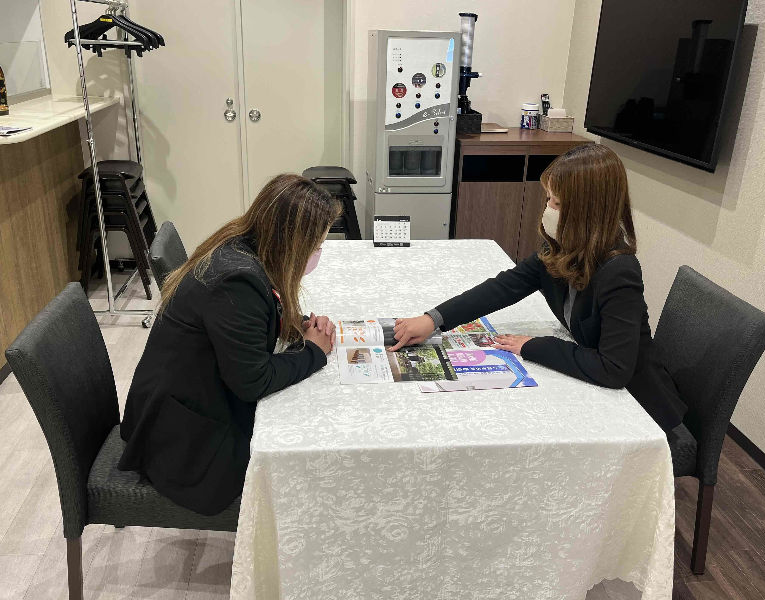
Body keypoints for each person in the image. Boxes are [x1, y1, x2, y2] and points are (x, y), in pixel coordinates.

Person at [391, 145, 686, 432]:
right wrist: (434, 319)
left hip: (643, 410)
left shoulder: (619, 270)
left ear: (587, 212)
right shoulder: (561, 249)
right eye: (548, 199)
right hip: (598, 387)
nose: (547, 210)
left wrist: (533, 345)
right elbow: (504, 287)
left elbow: (613, 368)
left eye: (557, 203)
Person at [119, 173, 341, 515]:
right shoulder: (237, 281)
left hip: (180, 401)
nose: (318, 254)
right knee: (310, 461)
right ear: (293, 243)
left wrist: (297, 326)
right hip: (184, 440)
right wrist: (314, 351)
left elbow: (249, 320)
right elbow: (254, 381)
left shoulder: (241, 244)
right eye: (316, 247)